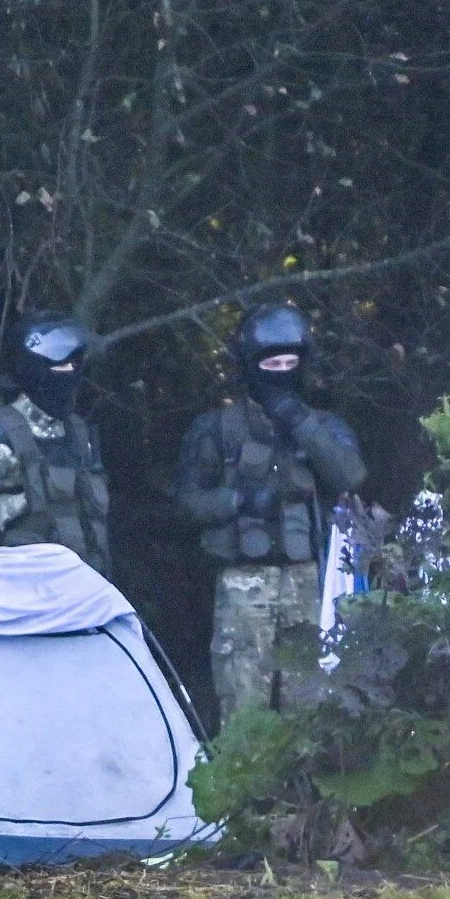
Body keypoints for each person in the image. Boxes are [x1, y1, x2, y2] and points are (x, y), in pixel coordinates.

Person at [176, 305, 368, 718]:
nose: (281, 372)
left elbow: (350, 476)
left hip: (307, 584)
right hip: (244, 586)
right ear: (251, 365)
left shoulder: (323, 426)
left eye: (290, 363)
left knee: (309, 712)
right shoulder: (218, 429)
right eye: (271, 363)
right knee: (245, 708)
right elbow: (187, 502)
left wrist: (299, 422)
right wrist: (238, 502)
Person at [0, 313, 111, 574]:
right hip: (21, 594)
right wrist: (20, 503)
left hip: (86, 590)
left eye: (75, 364)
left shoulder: (80, 433)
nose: (72, 373)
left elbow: (94, 516)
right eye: (63, 366)